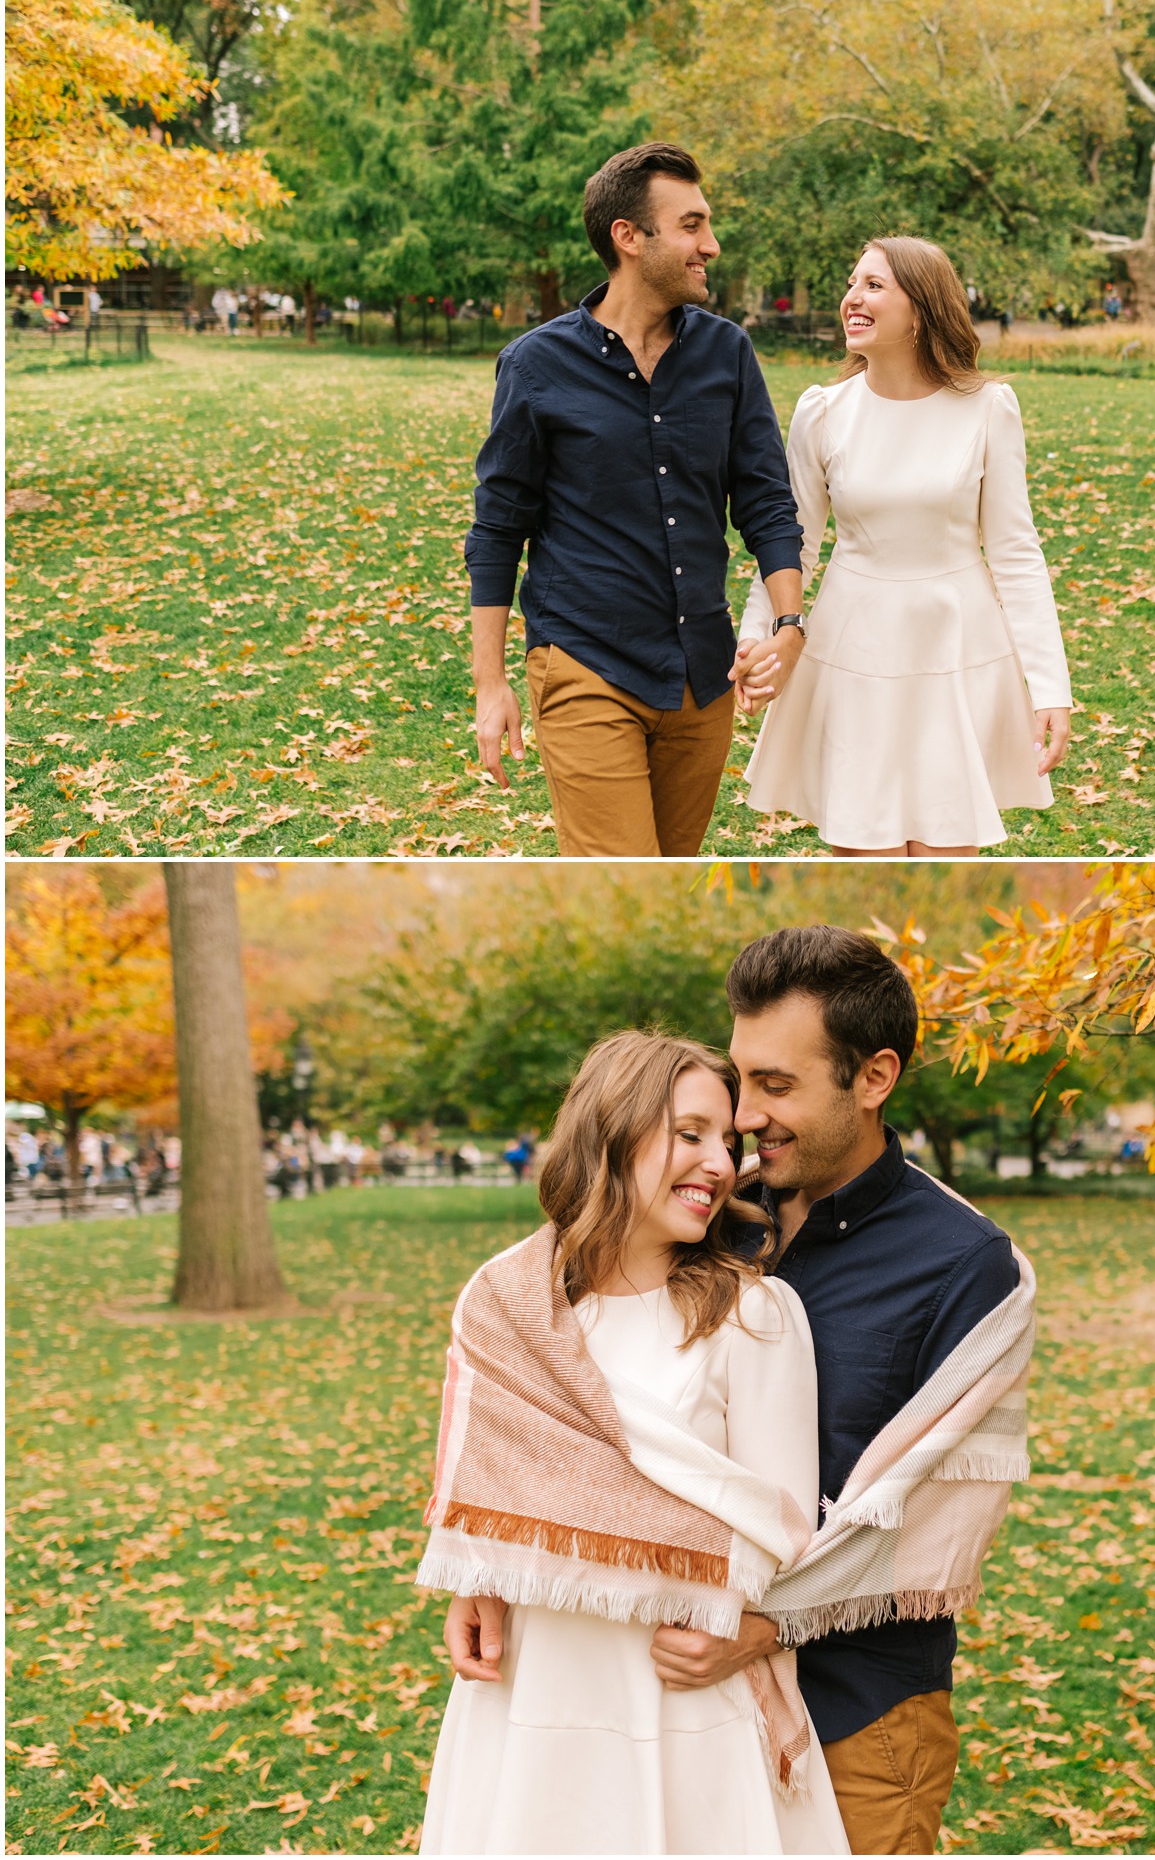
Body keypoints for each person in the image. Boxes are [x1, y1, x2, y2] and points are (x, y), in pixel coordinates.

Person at [444, 925, 1028, 1855]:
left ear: (873, 1078)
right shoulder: (712, 1218)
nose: (747, 1117)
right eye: (741, 1078)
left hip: (859, 1706)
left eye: (777, 1086)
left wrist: (760, 1621)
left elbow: (935, 1513)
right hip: (665, 1685)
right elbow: (573, 1397)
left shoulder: (966, 1264)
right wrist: (492, 1568)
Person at [421, 1032, 849, 1854]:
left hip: (678, 1694)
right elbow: (493, 1486)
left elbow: (782, 1535)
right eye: (689, 1134)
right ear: (609, 1132)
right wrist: (475, 1574)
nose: (721, 1165)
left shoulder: (749, 1319)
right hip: (531, 1687)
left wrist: (749, 1630)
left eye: (727, 1142)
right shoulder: (514, 1311)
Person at [467, 141, 808, 857]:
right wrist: (490, 683)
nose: (709, 245)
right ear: (629, 237)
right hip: (587, 662)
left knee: (670, 871)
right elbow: (498, 530)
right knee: (616, 869)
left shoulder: (726, 354)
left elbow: (767, 503)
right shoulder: (536, 365)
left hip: (702, 675)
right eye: (691, 226)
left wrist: (788, 623)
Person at [738, 237, 1072, 856]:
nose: (851, 299)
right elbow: (794, 541)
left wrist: (1050, 688)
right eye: (851, 283)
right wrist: (757, 636)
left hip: (956, 646)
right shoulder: (822, 411)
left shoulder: (987, 408)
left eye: (873, 285)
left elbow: (1017, 553)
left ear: (921, 309)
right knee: (865, 853)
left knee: (947, 852)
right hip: (853, 647)